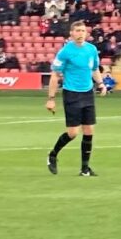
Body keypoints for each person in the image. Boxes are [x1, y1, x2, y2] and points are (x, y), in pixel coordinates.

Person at [46, 23, 102, 177]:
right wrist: (51, 98)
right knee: (73, 133)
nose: (81, 33)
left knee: (89, 130)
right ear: (71, 33)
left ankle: (85, 169)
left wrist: (101, 83)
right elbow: (55, 75)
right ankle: (53, 155)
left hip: (88, 93)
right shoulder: (65, 52)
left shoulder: (91, 49)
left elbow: (94, 69)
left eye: (83, 30)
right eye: (77, 31)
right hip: (72, 93)